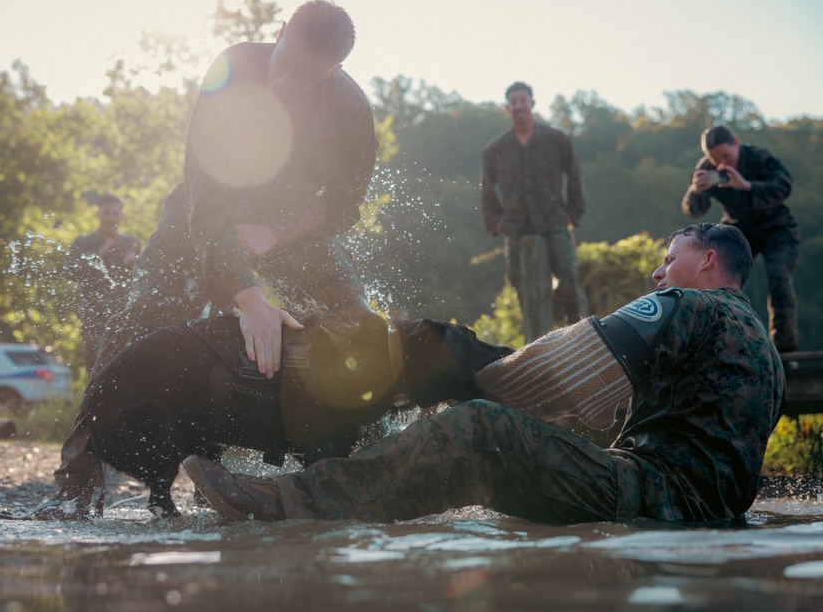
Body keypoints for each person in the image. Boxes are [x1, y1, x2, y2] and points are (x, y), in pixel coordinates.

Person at [184, 223, 785, 525]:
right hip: (705, 510)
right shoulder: (766, 354)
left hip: (655, 496)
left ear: (707, 259)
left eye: (670, 257)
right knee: (492, 458)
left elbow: (569, 365)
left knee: (478, 429)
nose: (658, 274)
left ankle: (287, 502)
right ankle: (343, 502)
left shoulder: (690, 305)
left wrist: (466, 377)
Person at [32, 0, 379, 519]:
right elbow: (206, 203)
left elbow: (346, 204)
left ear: (334, 72)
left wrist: (277, 231)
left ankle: (351, 473)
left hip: (291, 224)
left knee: (359, 328)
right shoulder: (232, 69)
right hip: (204, 210)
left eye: (306, 78)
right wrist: (248, 297)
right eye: (284, 63)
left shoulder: (350, 109)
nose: (285, 82)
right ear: (279, 31)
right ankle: (79, 473)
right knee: (141, 318)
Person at [481, 81, 588, 344]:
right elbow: (486, 189)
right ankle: (538, 349)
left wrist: (573, 213)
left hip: (553, 221)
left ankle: (579, 340)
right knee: (522, 288)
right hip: (516, 227)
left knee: (569, 282)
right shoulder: (497, 148)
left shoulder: (555, 140)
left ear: (532, 103)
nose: (519, 106)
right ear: (507, 107)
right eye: (513, 102)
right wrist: (496, 223)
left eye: (523, 100)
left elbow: (574, 176)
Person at [682, 125, 799, 352]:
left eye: (726, 156)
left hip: (777, 227)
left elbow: (784, 186)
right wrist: (695, 191)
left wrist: (746, 185)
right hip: (739, 226)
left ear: (736, 142)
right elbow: (693, 211)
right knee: (717, 276)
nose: (720, 163)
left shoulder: (758, 156)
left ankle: (785, 349)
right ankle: (724, 345)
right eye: (714, 158)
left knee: (778, 278)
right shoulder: (706, 169)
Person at [65, 194, 140, 374]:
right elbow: (70, 272)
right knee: (96, 365)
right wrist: (99, 254)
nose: (111, 218)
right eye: (107, 213)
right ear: (98, 214)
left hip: (123, 314)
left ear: (121, 216)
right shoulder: (84, 243)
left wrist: (137, 262)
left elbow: (147, 275)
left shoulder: (131, 243)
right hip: (94, 315)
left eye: (115, 214)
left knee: (125, 364)